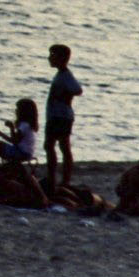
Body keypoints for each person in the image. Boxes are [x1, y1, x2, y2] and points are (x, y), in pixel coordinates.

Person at [43, 43, 82, 192]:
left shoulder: (66, 75)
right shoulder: (61, 74)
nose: (49, 58)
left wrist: (64, 96)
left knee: (56, 146)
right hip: (57, 115)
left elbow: (77, 90)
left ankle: (59, 179)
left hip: (60, 116)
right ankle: (56, 178)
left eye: (52, 56)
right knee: (55, 146)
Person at [0, 98, 40, 170]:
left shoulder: (24, 125)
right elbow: (16, 141)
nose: (16, 111)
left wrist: (10, 129)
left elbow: (15, 141)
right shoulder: (28, 125)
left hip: (22, 154)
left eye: (18, 109)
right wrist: (1, 133)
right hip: (25, 152)